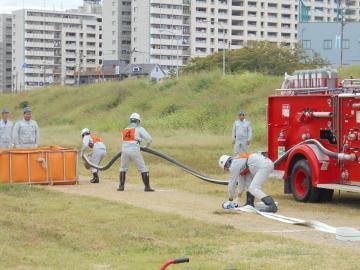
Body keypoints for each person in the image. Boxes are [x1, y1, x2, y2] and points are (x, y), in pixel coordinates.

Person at [118, 112, 154, 192]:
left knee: (123, 168)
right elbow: (149, 139)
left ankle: (121, 186)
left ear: (131, 120)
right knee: (143, 169)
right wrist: (146, 147)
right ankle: (147, 187)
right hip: (134, 149)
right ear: (138, 121)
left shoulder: (125, 129)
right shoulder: (139, 128)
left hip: (124, 150)